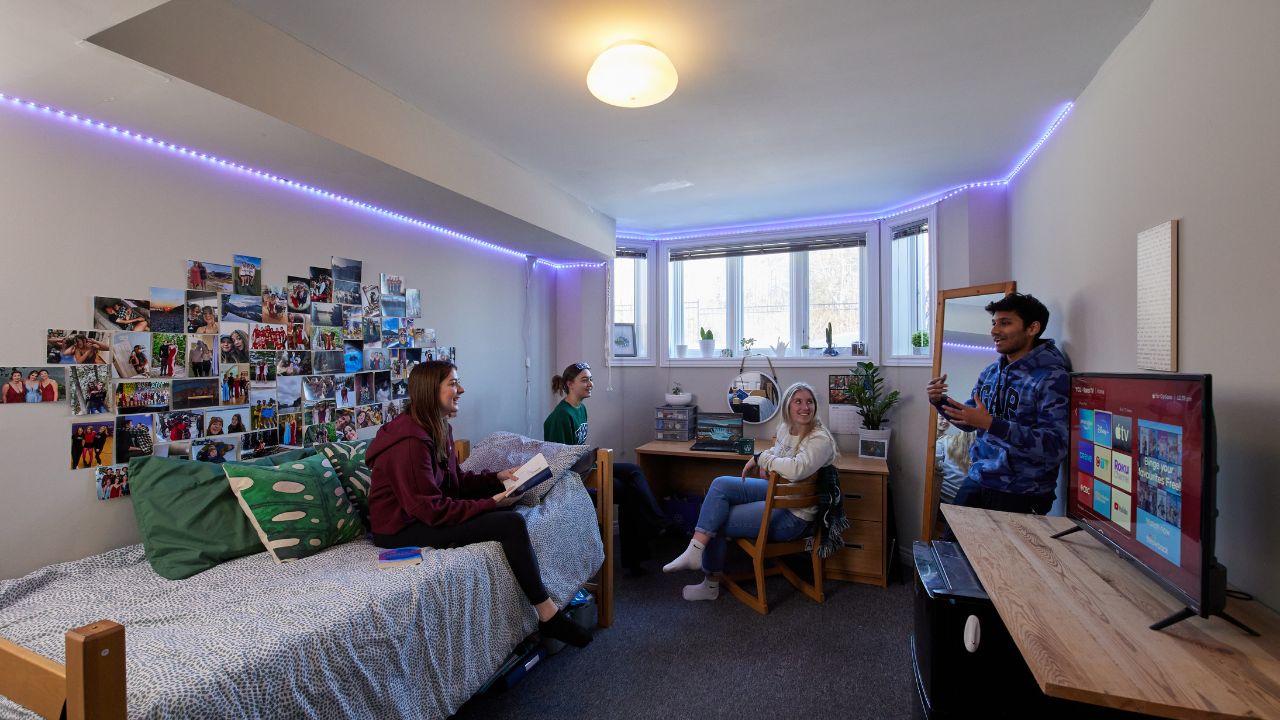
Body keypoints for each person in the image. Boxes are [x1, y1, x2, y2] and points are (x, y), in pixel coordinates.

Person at [367, 360, 591, 648]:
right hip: (400, 529)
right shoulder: (409, 442)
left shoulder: (437, 428)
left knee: (511, 510)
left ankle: (538, 607)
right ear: (429, 391)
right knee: (509, 523)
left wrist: (497, 480)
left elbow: (455, 483)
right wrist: (490, 504)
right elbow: (431, 510)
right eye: (452, 383)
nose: (461, 389)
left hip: (423, 514)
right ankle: (548, 615)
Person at [663, 381, 837, 601]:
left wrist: (762, 458)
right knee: (720, 484)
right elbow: (778, 451)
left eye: (809, 402)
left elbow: (796, 469)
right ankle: (695, 550)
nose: (805, 407)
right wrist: (762, 458)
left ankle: (710, 585)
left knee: (715, 517)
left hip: (794, 516)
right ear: (787, 406)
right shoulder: (786, 428)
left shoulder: (819, 439)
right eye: (798, 402)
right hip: (779, 492)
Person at [927, 292, 1070, 515]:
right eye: (994, 323)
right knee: (950, 546)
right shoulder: (991, 372)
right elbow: (969, 420)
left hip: (1022, 493)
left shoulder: (1052, 377)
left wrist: (992, 424)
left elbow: (1055, 447)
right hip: (978, 479)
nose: (994, 331)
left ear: (1032, 328)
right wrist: (938, 401)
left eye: (1005, 323)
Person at [544, 362, 670, 576]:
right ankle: (639, 551)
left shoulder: (581, 409)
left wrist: (591, 455)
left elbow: (578, 450)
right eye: (584, 380)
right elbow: (561, 462)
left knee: (632, 470)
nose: (590, 384)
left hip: (587, 467)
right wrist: (589, 460)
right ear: (569, 384)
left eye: (591, 379)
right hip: (575, 479)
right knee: (627, 491)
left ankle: (656, 520)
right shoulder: (560, 417)